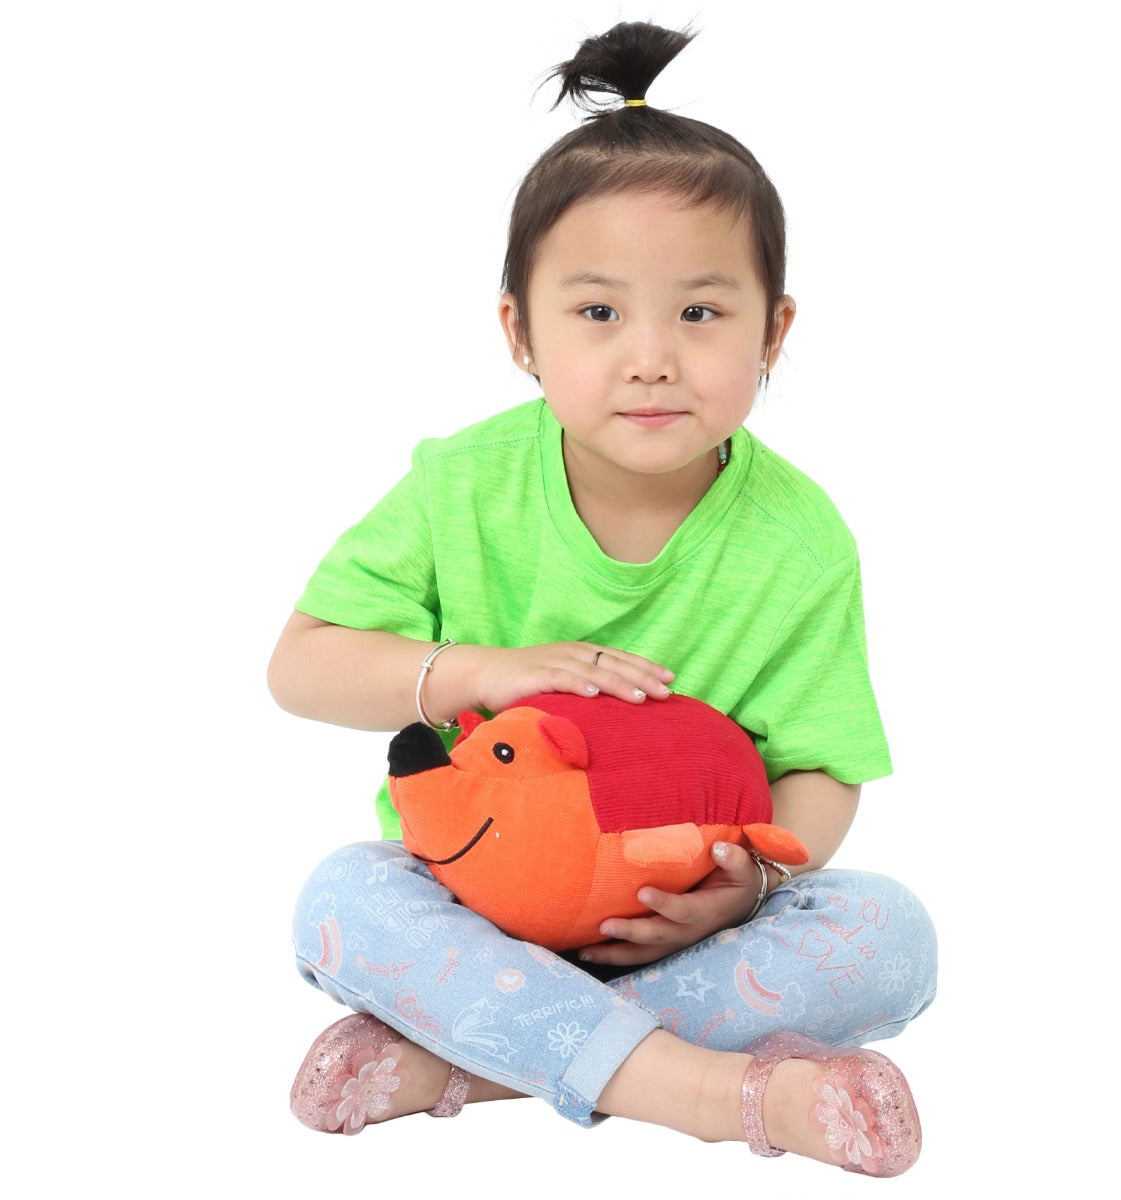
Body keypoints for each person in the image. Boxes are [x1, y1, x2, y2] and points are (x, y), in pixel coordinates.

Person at [269, 21, 936, 1177]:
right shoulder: (460, 484)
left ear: (774, 332)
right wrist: (476, 671)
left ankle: (474, 1063)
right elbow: (302, 664)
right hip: (481, 896)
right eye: (596, 313)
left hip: (677, 923)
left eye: (700, 312)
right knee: (343, 901)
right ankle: (706, 1093)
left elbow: (822, 768)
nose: (650, 358)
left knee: (892, 941)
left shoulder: (799, 537)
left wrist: (750, 888)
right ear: (519, 335)